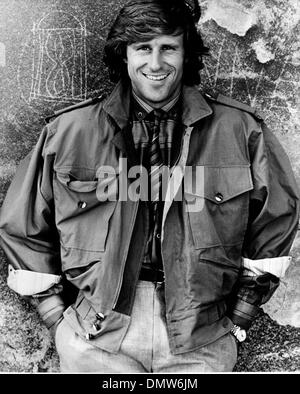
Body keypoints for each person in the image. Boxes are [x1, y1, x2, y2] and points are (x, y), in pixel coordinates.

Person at [0, 0, 299, 373]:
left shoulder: (241, 130)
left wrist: (240, 317)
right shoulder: (68, 132)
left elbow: (275, 224)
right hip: (96, 335)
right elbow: (24, 227)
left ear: (185, 53)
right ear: (123, 56)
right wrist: (56, 318)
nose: (155, 64)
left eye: (168, 48)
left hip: (202, 338)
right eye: (143, 48)